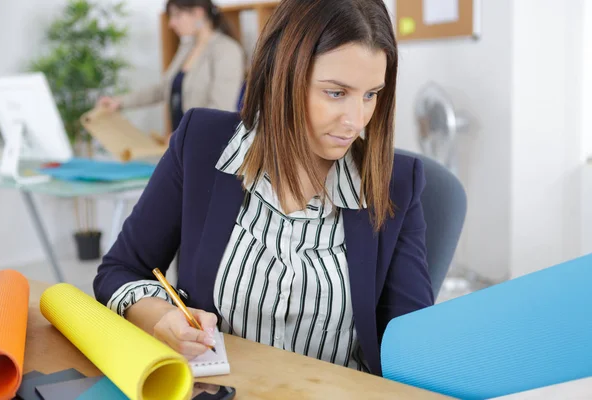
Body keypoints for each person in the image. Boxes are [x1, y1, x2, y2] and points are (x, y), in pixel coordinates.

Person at [93, 0, 433, 377]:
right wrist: (160, 316)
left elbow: (415, 350)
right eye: (336, 93)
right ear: (281, 75)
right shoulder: (201, 144)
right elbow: (119, 270)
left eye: (371, 95)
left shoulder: (397, 183)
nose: (355, 121)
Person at [96, 0, 245, 131]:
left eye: (177, 15)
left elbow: (220, 109)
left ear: (198, 13)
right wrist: (120, 102)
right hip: (181, 144)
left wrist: (184, 136)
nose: (171, 23)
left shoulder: (227, 50)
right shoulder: (186, 47)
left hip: (206, 145)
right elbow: (163, 89)